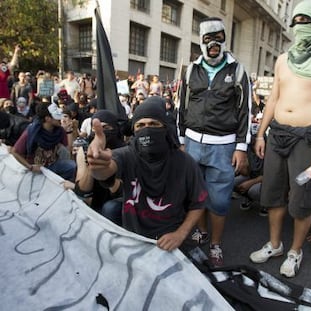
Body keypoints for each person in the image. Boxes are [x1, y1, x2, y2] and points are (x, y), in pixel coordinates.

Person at [249, 0, 311, 278]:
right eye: (298, 21)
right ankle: (275, 244)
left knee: (303, 197)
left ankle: (295, 250)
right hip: (277, 134)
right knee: (273, 193)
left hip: (310, 138)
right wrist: (260, 133)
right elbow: (273, 99)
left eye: (308, 21)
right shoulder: (284, 59)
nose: (301, 26)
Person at [87, 96, 207, 252]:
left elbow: (198, 202)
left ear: (165, 128)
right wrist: (97, 163)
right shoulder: (126, 155)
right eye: (140, 125)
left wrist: (180, 234)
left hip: (171, 239)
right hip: (136, 239)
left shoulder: (185, 162)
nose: (147, 129)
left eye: (153, 124)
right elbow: (105, 171)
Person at [178, 17, 251, 266]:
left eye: (218, 37)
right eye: (208, 38)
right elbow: (182, 107)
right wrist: (180, 140)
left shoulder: (238, 71)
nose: (213, 43)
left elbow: (245, 111)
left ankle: (216, 244)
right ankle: (201, 231)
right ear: (201, 41)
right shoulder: (190, 70)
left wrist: (241, 147)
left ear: (225, 39)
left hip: (224, 146)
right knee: (197, 194)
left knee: (219, 200)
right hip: (192, 143)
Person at [11, 103, 76, 181]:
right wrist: (30, 167)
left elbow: (68, 151)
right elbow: (15, 152)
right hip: (36, 168)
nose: (60, 119)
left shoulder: (60, 131)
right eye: (57, 117)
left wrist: (69, 131)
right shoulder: (32, 132)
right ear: (48, 118)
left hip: (53, 165)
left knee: (73, 167)